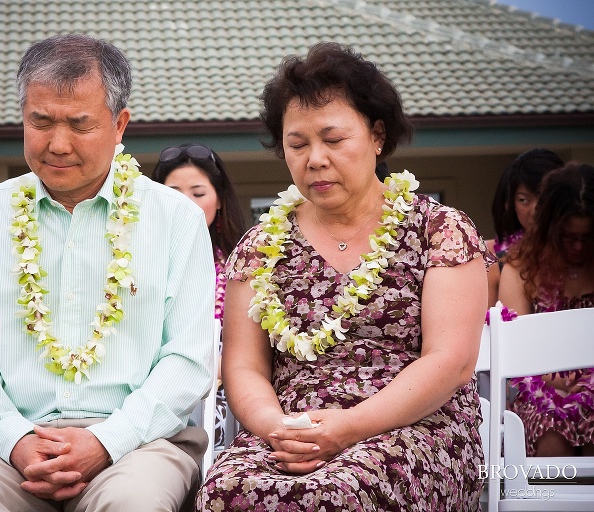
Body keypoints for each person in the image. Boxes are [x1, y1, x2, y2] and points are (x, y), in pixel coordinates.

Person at [0, 34, 216, 511]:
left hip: (139, 445)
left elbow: (188, 358)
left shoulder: (174, 219)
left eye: (80, 124)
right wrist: (15, 441)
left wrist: (105, 442)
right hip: (2, 448)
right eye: (40, 121)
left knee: (132, 505)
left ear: (120, 125)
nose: (57, 144)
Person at [196, 42, 493, 511]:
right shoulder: (259, 247)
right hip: (292, 433)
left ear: (377, 136)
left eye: (333, 140)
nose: (314, 158)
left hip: (414, 428)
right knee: (225, 490)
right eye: (297, 144)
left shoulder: (439, 230)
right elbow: (244, 367)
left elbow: (450, 361)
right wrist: (276, 426)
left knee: (338, 493)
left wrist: (349, 427)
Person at [152, 143, 246, 451]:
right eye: (174, 192)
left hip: (226, 386)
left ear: (219, 199)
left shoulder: (242, 260)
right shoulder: (133, 262)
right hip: (157, 386)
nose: (187, 204)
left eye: (198, 192)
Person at [499, 162, 594, 457]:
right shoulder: (520, 267)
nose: (578, 247)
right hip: (539, 387)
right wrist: (561, 382)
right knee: (550, 431)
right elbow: (516, 347)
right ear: (549, 229)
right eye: (568, 237)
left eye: (587, 238)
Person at [485, 149, 563, 306]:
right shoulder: (496, 263)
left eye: (544, 199)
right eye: (524, 200)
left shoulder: (583, 255)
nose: (535, 210)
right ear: (512, 204)